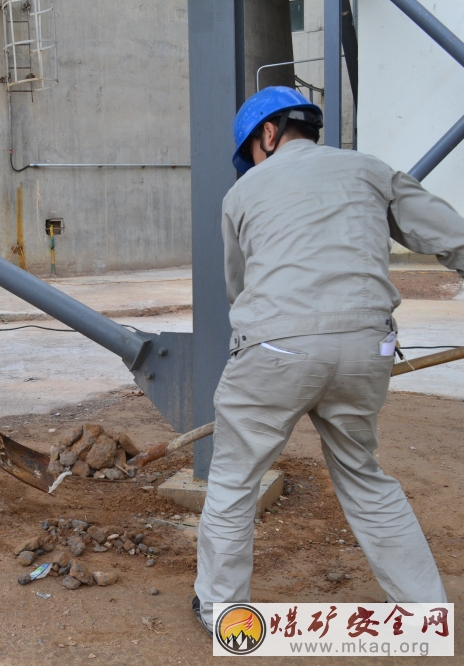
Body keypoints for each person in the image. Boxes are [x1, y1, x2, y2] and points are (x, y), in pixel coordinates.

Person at [192, 86, 464, 635]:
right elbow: (454, 237)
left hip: (273, 349)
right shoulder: (370, 170)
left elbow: (238, 288)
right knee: (365, 477)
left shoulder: (242, 194)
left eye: (252, 150)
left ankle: (223, 613)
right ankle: (422, 613)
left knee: (235, 480)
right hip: (367, 347)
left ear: (268, 134)